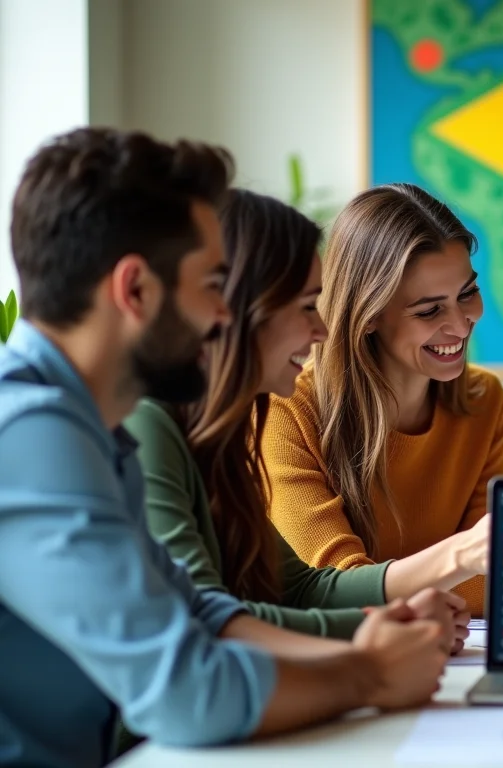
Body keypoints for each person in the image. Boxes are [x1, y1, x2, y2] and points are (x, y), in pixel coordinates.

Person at [0, 128, 453, 768]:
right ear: (135, 290)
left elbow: (199, 610)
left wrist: (374, 642)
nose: (223, 315)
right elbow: (186, 692)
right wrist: (371, 675)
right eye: (213, 284)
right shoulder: (30, 434)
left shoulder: (97, 431)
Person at [125, 189, 470, 643]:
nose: (323, 329)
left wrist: (399, 617)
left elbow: (303, 589)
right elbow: (200, 616)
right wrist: (375, 629)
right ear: (238, 309)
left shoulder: (219, 438)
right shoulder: (148, 425)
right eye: (308, 306)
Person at [263, 183, 503, 618]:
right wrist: (458, 564)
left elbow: (493, 579)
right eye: (429, 310)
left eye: (467, 294)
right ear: (369, 315)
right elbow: (330, 590)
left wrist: (408, 589)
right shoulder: (285, 409)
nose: (460, 325)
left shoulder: (484, 401)